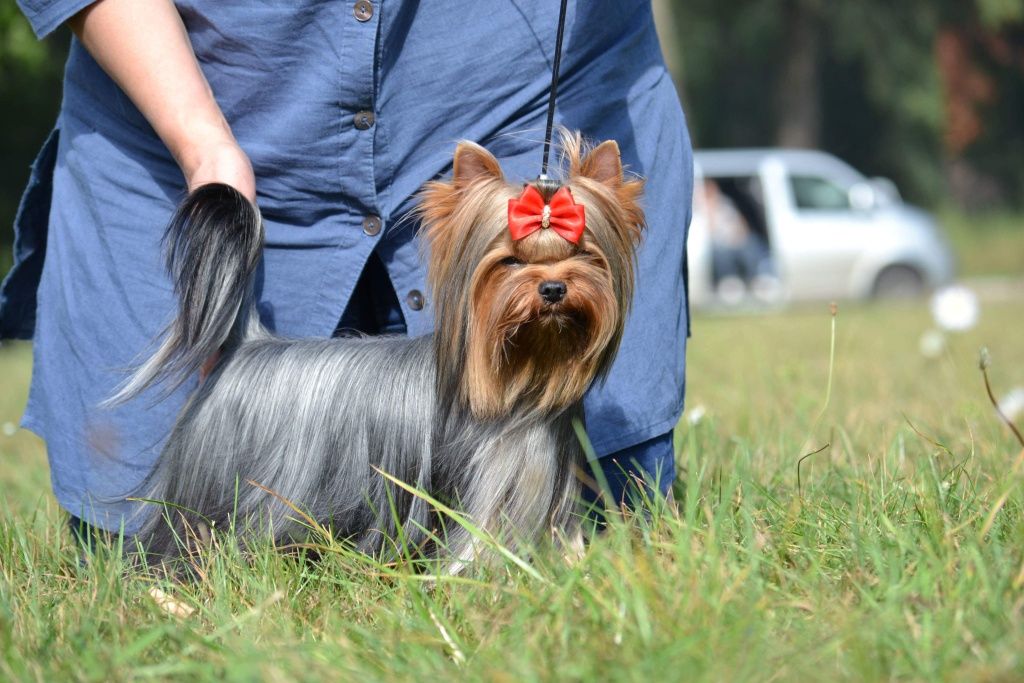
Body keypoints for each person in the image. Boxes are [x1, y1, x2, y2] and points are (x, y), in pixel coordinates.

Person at [1, 0, 693, 537]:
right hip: (195, 117)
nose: (550, 278)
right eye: (513, 260)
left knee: (626, 525)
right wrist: (205, 149)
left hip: (522, 91)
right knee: (141, 536)